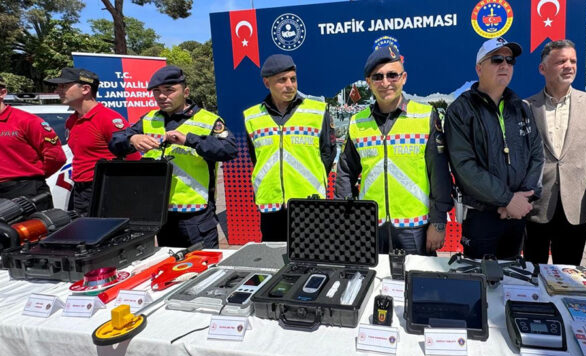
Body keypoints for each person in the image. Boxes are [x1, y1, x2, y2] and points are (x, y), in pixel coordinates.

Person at [335, 45, 452, 255]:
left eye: (392, 75)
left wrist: (439, 223)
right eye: (377, 77)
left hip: (415, 227)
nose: (385, 82)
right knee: (374, 284)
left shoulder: (425, 116)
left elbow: (440, 175)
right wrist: (349, 217)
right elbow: (344, 172)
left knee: (415, 285)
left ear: (404, 77)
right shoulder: (357, 122)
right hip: (370, 226)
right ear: (369, 82)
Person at [109, 66, 237, 248]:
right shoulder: (148, 119)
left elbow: (229, 150)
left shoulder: (208, 120)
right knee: (170, 269)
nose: (162, 96)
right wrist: (132, 139)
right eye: (157, 92)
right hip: (160, 212)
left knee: (205, 269)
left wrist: (189, 140)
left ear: (185, 92)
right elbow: (114, 143)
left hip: (195, 214)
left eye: (169, 90)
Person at [444, 37, 544, 259]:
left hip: (518, 214)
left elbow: (537, 154)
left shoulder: (522, 108)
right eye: (497, 59)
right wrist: (507, 199)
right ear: (479, 68)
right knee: (480, 285)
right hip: (482, 218)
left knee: (513, 284)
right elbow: (464, 167)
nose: (505, 65)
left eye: (510, 60)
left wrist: (523, 198)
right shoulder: (461, 110)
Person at [524, 40, 586, 265]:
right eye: (561, 61)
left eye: (573, 61)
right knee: (533, 273)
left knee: (570, 273)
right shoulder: (526, 107)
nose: (569, 66)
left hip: (577, 205)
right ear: (543, 68)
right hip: (535, 206)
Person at [243, 54, 337, 242]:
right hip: (271, 204)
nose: (290, 85)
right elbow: (256, 157)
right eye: (282, 80)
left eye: (293, 79)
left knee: (312, 257)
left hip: (309, 203)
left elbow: (328, 153)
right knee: (274, 260)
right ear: (266, 83)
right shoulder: (252, 116)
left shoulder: (317, 111)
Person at [45, 67, 140, 215]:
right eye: (58, 86)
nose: (58, 90)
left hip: (106, 189)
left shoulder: (108, 119)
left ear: (85, 89)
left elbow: (132, 159)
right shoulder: (71, 120)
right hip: (79, 190)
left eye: (64, 86)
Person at [0, 75, 66, 208]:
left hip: (25, 191)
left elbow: (56, 157)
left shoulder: (27, 121)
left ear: (2, 93)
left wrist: (32, 176)